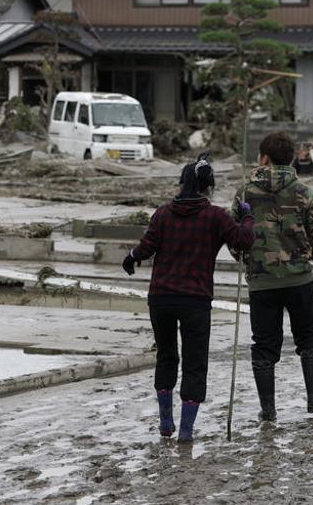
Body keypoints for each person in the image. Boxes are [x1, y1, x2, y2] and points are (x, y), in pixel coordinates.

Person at [123, 153, 254, 443]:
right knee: (195, 364)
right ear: (209, 186)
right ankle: (185, 432)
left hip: (161, 299)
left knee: (166, 356)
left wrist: (131, 257)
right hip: (195, 301)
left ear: (182, 183)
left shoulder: (162, 214)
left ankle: (165, 422)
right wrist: (246, 217)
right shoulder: (216, 217)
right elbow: (243, 240)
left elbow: (146, 247)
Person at [233, 132, 313, 422]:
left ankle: (268, 409)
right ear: (290, 159)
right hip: (298, 279)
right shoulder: (304, 192)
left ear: (263, 158)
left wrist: (246, 259)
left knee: (264, 343)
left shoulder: (244, 193)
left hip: (261, 281)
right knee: (309, 337)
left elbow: (234, 234)